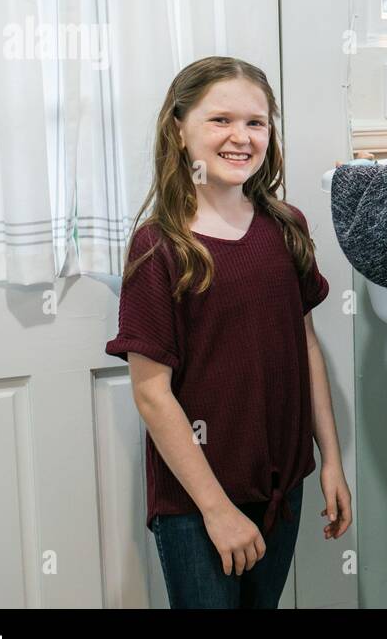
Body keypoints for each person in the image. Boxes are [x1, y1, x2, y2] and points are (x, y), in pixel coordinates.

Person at [105, 56, 351, 609]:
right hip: (198, 504)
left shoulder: (286, 226)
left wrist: (330, 458)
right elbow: (151, 392)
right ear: (178, 127)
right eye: (220, 120)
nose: (240, 137)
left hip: (282, 488)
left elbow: (305, 344)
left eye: (256, 122)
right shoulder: (160, 247)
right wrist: (216, 510)